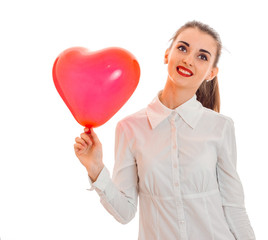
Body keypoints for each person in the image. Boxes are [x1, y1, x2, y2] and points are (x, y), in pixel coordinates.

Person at [74, 20, 256, 240]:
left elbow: (234, 208)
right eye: (182, 48)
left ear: (211, 73)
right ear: (167, 54)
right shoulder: (129, 128)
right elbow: (125, 212)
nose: (188, 59)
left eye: (202, 56)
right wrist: (96, 168)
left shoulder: (221, 127)